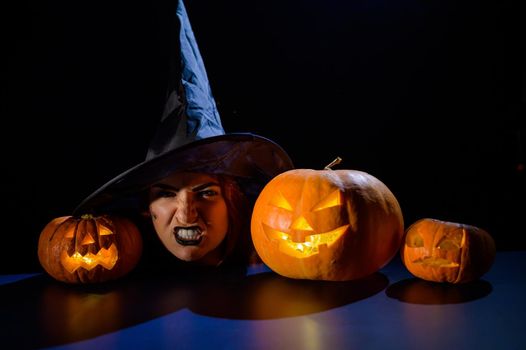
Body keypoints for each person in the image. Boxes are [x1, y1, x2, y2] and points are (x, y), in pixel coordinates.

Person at [72, 0, 294, 269]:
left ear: (232, 201)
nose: (187, 213)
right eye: (166, 194)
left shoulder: (277, 267)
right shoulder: (124, 277)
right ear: (147, 208)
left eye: (207, 193)